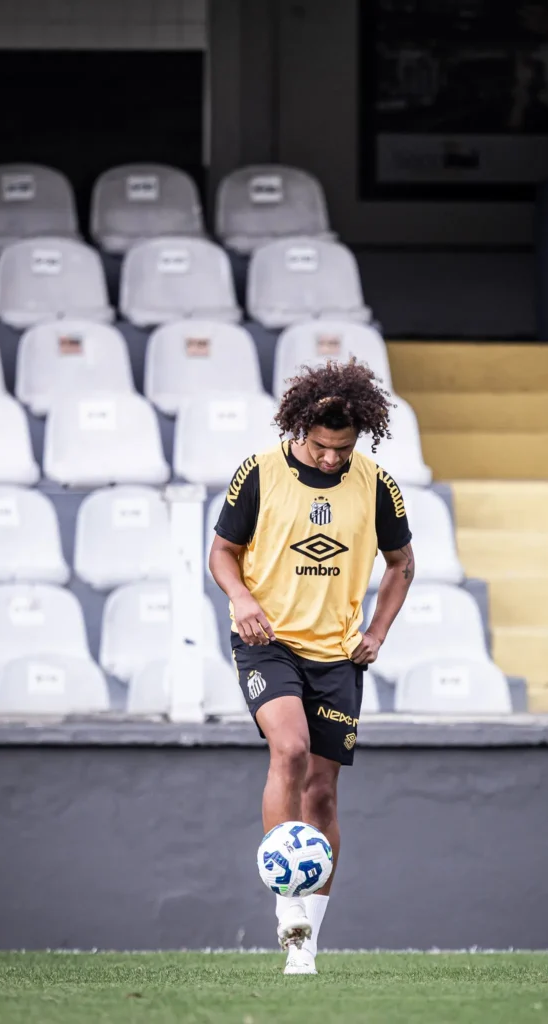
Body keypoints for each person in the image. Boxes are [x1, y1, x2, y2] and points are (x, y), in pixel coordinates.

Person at [208, 361, 415, 975]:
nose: (330, 458)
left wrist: (377, 632)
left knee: (322, 793)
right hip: (267, 642)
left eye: (342, 449)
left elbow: (402, 564)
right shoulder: (260, 473)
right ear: (300, 429)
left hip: (337, 654)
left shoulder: (376, 484)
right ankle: (287, 908)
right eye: (321, 446)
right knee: (291, 749)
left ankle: (306, 946)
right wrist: (241, 598)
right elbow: (222, 553)